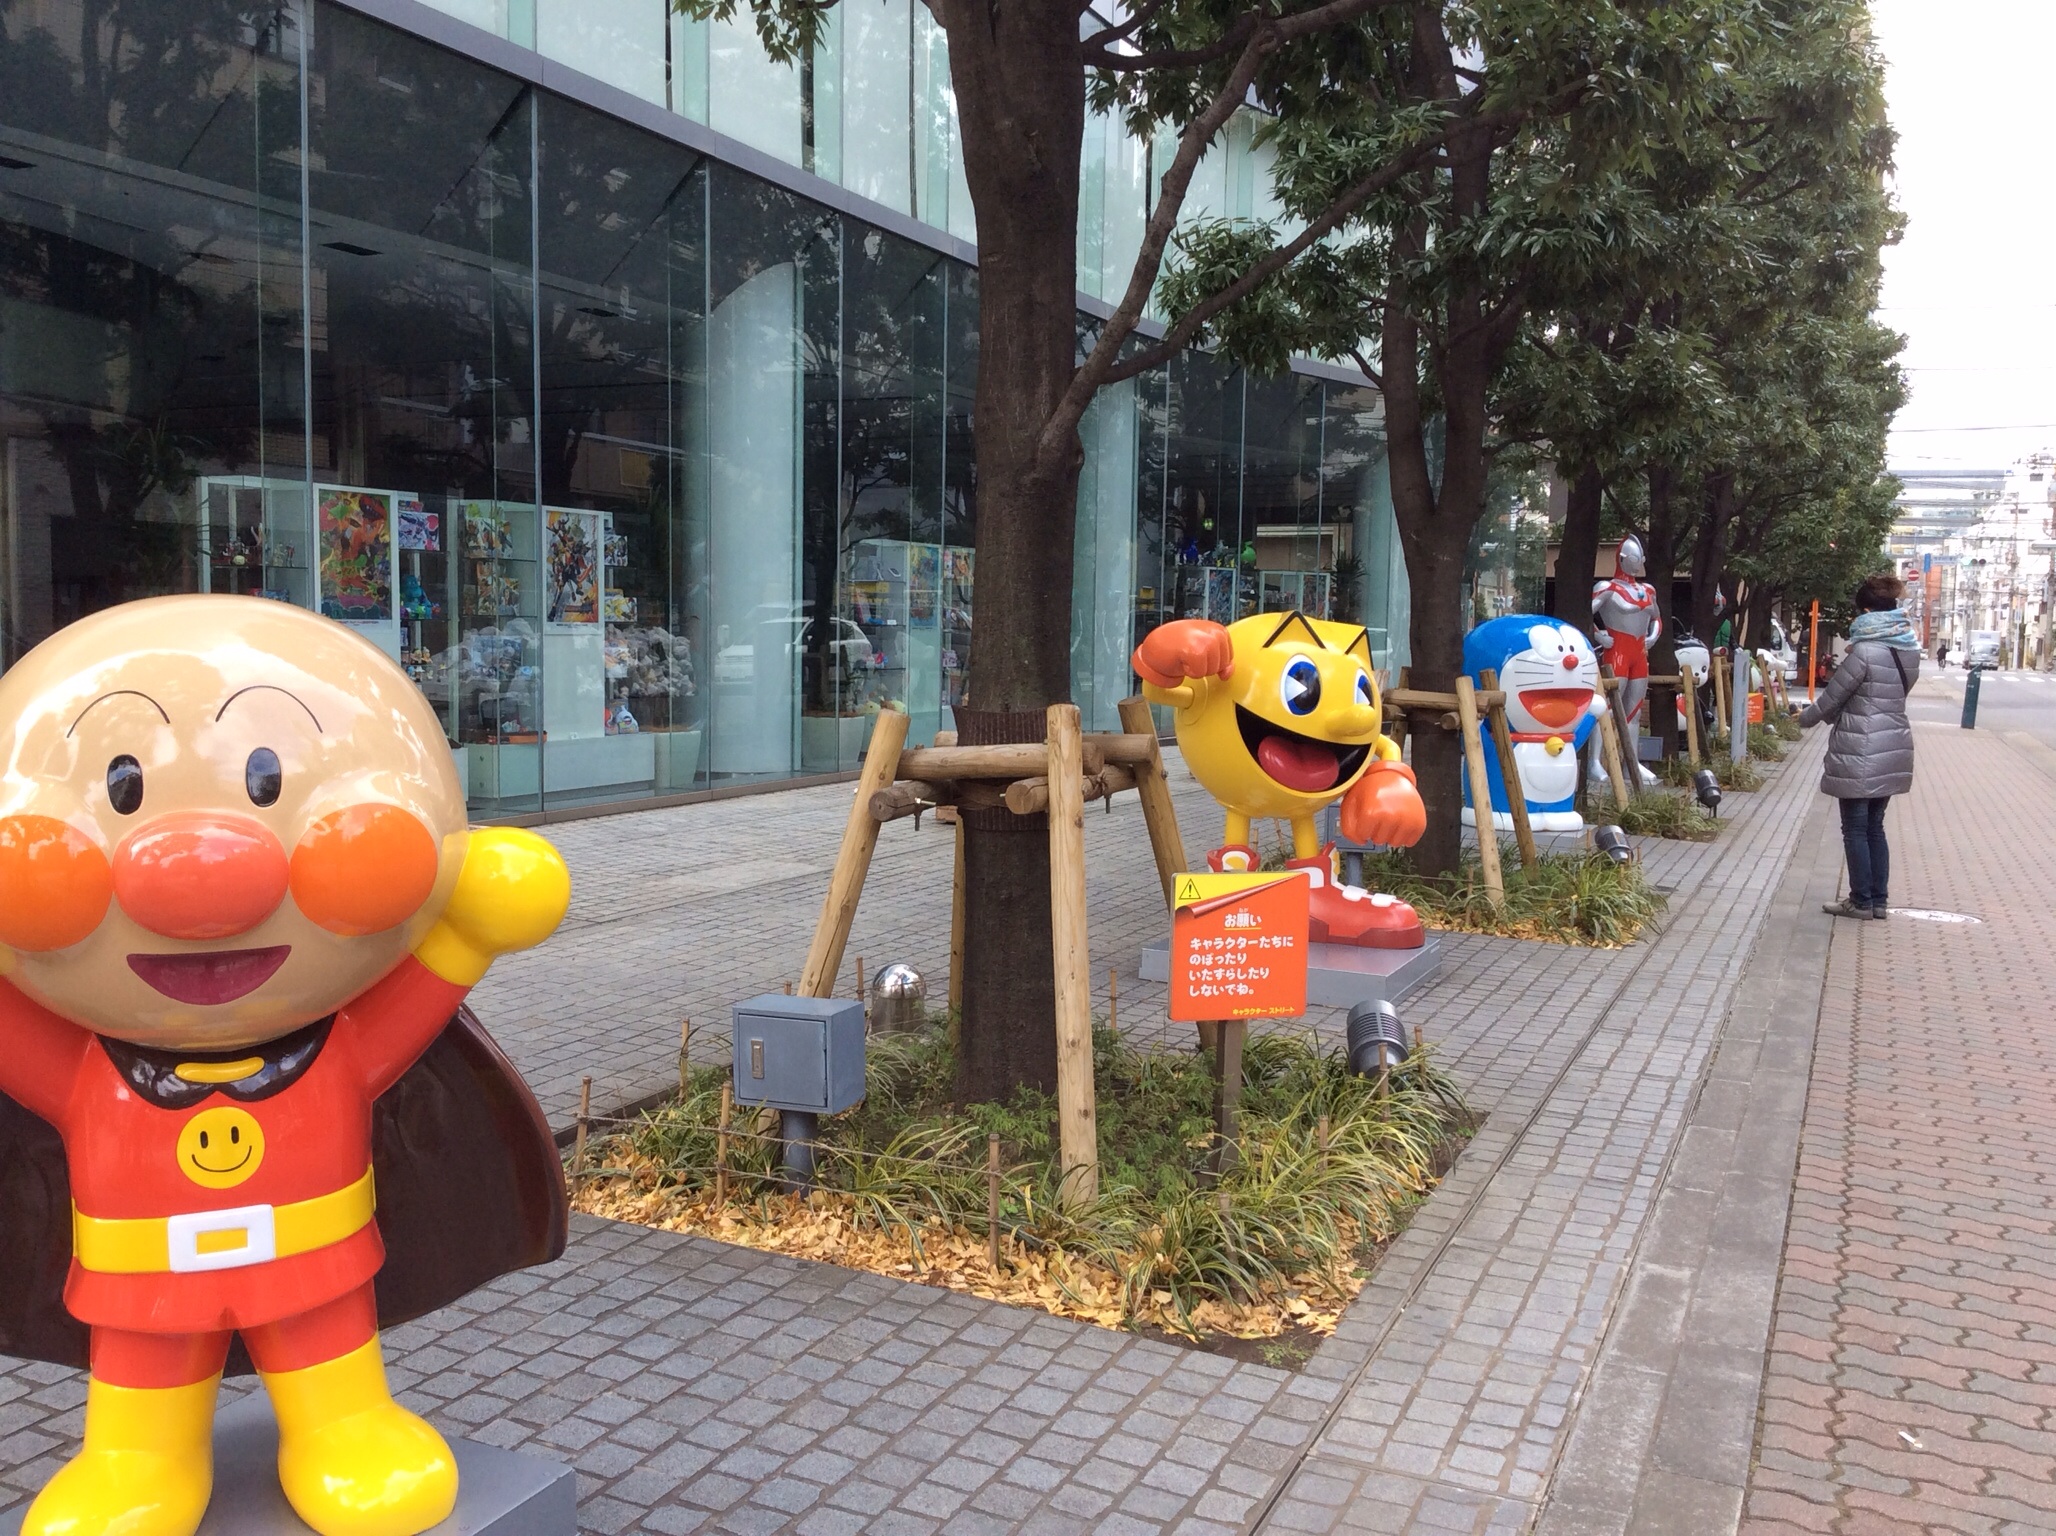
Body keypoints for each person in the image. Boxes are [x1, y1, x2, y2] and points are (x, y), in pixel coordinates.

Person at [1800, 574, 1920, 918]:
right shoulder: (1909, 651)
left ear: (1866, 611)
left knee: (1854, 828)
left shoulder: (1865, 652)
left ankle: (1860, 901)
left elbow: (1832, 699)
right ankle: (1878, 901)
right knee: (1874, 827)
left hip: (1860, 749)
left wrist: (1802, 719)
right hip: (1894, 744)